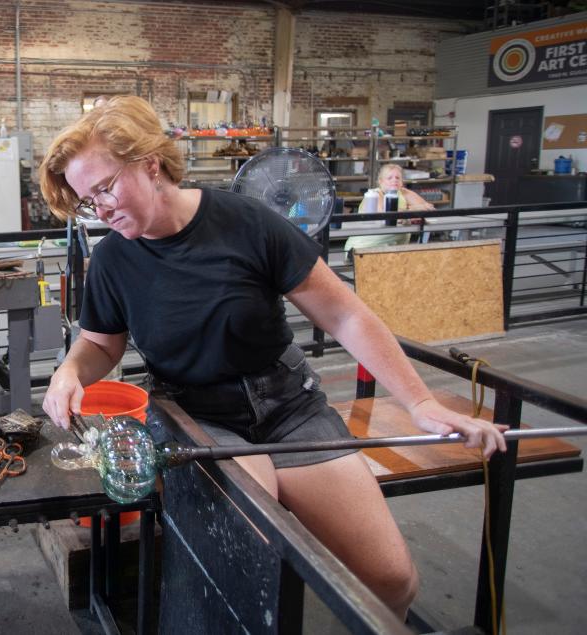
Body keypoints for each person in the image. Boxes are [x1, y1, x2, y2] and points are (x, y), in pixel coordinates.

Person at [38, 96, 506, 618]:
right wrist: (70, 371)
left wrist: (419, 402)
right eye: (87, 200)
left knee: (390, 579)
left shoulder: (246, 222)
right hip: (201, 418)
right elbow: (102, 343)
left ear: (150, 163)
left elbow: (345, 315)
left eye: (105, 188)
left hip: (288, 408)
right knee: (252, 555)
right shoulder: (112, 259)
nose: (100, 209)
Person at [344, 163, 435, 256]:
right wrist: (414, 209)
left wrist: (409, 211)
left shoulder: (404, 193)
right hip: (363, 249)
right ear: (380, 181)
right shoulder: (374, 195)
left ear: (402, 182)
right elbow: (385, 214)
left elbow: (428, 208)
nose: (394, 180)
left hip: (394, 250)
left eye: (397, 178)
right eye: (389, 178)